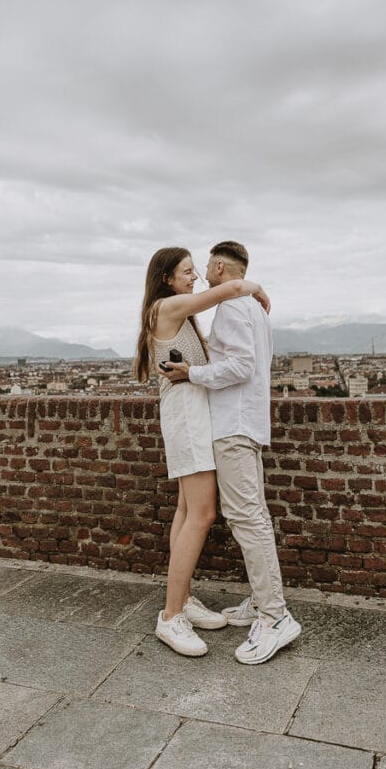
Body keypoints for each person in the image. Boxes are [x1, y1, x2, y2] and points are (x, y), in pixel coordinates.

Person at [162, 240, 301, 665]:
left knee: (246, 517)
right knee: (250, 514)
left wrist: (192, 373)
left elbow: (240, 366)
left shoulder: (234, 307)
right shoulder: (251, 307)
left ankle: (275, 617)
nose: (203, 273)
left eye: (206, 266)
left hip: (234, 425)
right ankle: (263, 603)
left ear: (221, 267)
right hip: (243, 422)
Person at [135, 246, 270, 657]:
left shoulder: (177, 312)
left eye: (195, 271)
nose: (193, 277)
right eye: (187, 271)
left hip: (192, 414)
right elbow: (228, 291)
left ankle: (183, 598)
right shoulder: (169, 305)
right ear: (166, 277)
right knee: (204, 513)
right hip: (187, 417)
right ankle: (171, 615)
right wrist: (256, 286)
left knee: (186, 511)